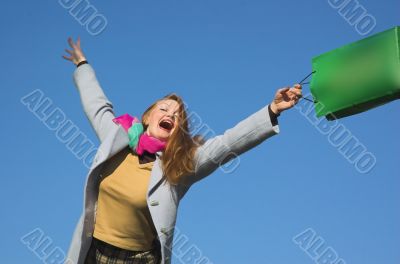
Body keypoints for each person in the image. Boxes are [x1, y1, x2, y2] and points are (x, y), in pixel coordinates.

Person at [62, 36, 302, 264]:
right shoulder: (116, 138)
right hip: (93, 251)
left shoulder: (180, 165)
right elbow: (97, 104)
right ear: (147, 116)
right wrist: (82, 64)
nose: (170, 115)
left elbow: (229, 142)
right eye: (164, 109)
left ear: (178, 130)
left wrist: (273, 109)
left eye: (177, 116)